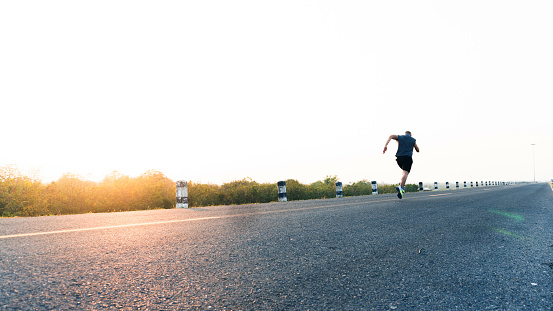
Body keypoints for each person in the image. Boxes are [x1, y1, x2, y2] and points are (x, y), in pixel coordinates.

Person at [383, 131, 420, 199]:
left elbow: (391, 136)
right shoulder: (413, 140)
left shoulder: (400, 137)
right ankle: (401, 187)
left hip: (399, 159)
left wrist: (386, 145)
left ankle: (402, 186)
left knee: (404, 172)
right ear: (410, 134)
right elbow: (418, 150)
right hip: (407, 158)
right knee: (405, 173)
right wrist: (413, 145)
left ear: (405, 133)